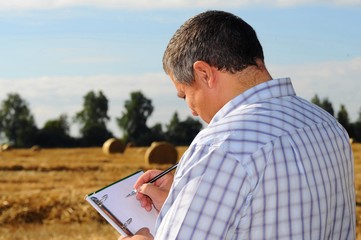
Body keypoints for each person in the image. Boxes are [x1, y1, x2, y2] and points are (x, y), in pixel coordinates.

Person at [120, 10, 355, 239]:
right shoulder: (327, 125)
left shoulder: (220, 147)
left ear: (204, 73)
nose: (191, 110)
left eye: (184, 95)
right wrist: (184, 203)